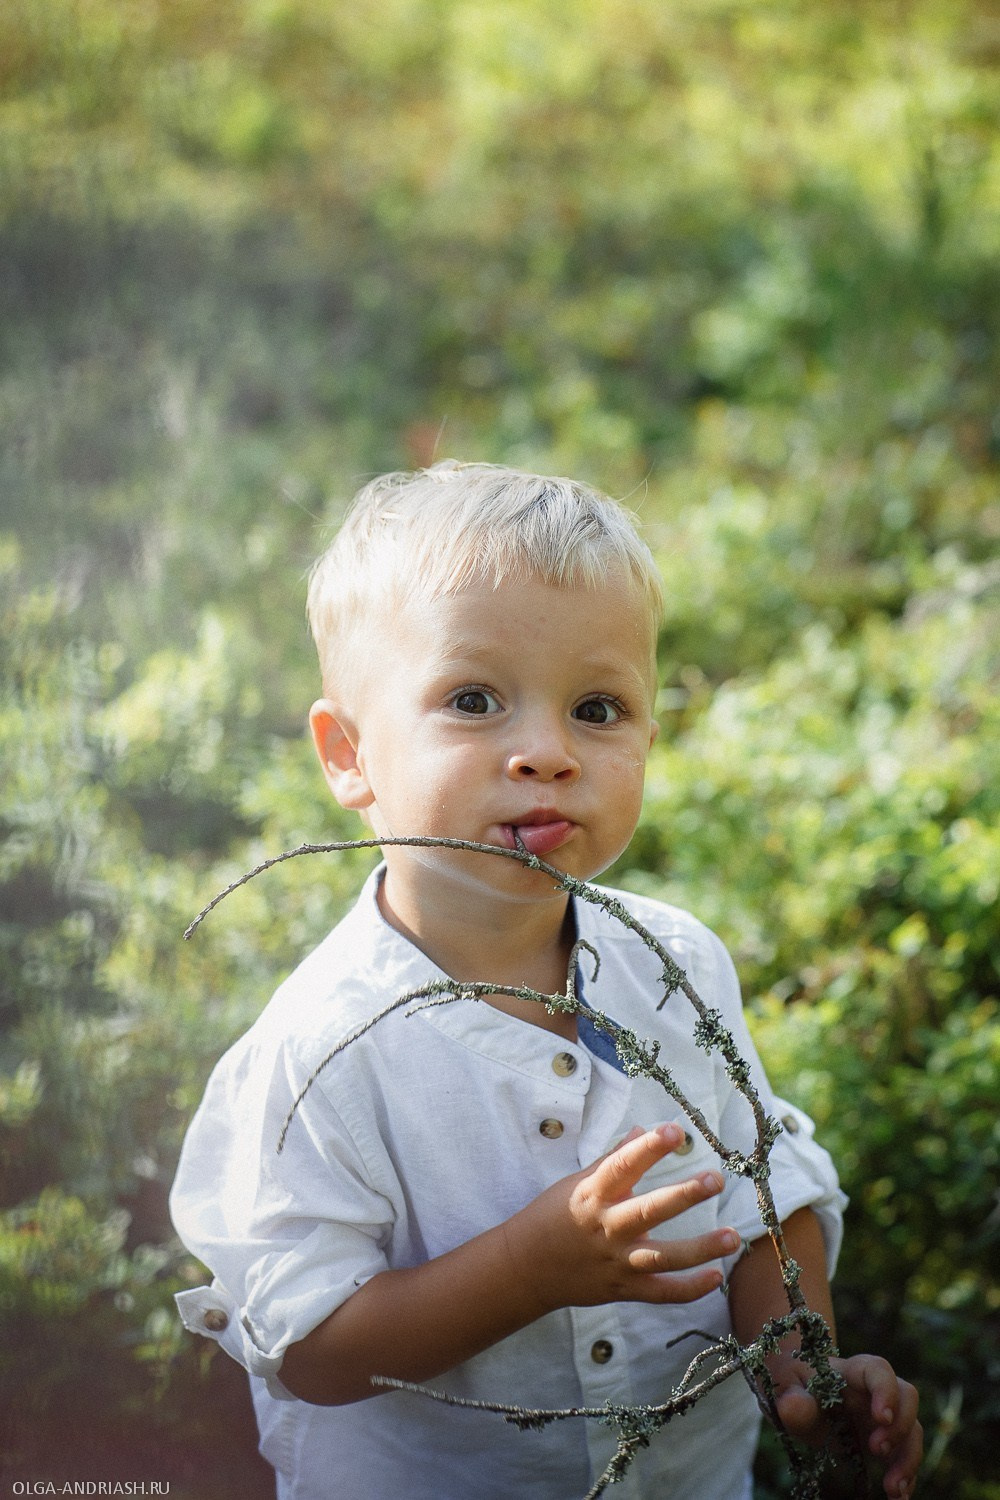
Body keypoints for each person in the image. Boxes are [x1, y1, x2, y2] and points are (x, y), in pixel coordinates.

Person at [170, 462, 921, 1500]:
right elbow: (312, 1350)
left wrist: (804, 1372)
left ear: (650, 731)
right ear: (348, 754)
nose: (547, 752)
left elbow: (765, 1198)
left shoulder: (677, 965)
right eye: (473, 700)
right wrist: (530, 1266)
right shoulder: (318, 1051)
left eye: (597, 707)